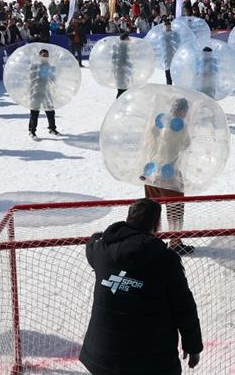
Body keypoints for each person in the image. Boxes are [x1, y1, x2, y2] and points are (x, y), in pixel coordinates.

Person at [79, 198, 202, 375]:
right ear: (157, 225)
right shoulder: (165, 259)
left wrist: (100, 236)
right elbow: (183, 306)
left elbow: (93, 242)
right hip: (150, 362)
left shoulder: (101, 251)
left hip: (102, 359)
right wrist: (193, 345)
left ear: (128, 218)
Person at [139, 97, 193, 254]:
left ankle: (152, 240)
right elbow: (186, 144)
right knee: (175, 209)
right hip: (170, 175)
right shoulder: (180, 125)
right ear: (182, 111)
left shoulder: (157, 123)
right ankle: (175, 243)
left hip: (151, 173)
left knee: (152, 209)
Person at [29, 47, 59, 139]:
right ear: (40, 56)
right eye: (43, 55)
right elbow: (32, 78)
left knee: (50, 111)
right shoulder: (35, 65)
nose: (45, 57)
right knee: (34, 112)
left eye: (47, 55)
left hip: (46, 91)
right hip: (36, 91)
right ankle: (32, 131)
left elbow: (53, 79)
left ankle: (52, 128)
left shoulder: (50, 66)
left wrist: (52, 76)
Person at [113, 32, 133, 98]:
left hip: (119, 70)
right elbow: (122, 59)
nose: (129, 39)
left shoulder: (119, 45)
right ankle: (118, 103)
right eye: (128, 38)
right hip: (121, 71)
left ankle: (120, 103)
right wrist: (128, 65)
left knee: (122, 89)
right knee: (122, 89)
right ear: (124, 39)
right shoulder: (122, 46)